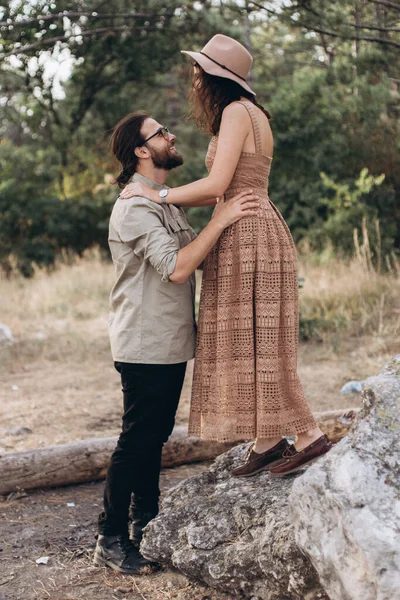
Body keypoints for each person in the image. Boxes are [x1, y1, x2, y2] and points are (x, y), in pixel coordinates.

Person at [119, 34, 332, 478]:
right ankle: (269, 438)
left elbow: (218, 187)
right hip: (247, 227)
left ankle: (309, 434)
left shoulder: (237, 113)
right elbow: (222, 188)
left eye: (198, 71)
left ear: (214, 77)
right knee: (255, 338)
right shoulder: (248, 113)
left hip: (248, 232)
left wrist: (156, 192)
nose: (194, 78)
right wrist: (168, 197)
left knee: (262, 341)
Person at [93, 111, 259, 575]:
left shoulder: (166, 203)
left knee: (153, 437)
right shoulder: (135, 207)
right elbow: (179, 267)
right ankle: (109, 537)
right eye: (160, 132)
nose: (171, 135)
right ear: (142, 151)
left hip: (168, 341)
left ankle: (145, 521)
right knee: (137, 438)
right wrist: (221, 218)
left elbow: (197, 255)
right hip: (144, 342)